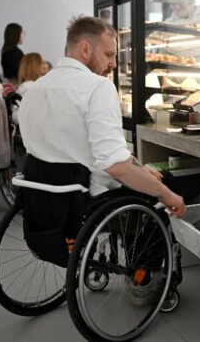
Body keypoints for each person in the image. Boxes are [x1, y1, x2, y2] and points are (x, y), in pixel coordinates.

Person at [17, 16, 186, 214]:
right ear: (85, 50)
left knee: (147, 176)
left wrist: (138, 170)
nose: (114, 63)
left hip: (44, 200)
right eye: (108, 55)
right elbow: (115, 167)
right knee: (171, 183)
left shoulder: (34, 90)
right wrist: (166, 194)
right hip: (87, 200)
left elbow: (80, 149)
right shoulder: (98, 87)